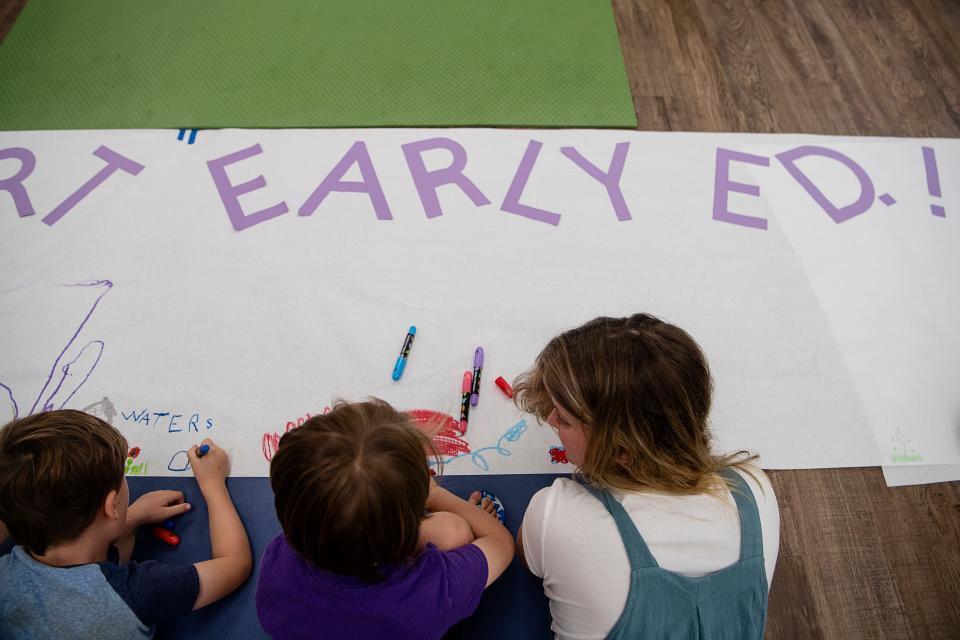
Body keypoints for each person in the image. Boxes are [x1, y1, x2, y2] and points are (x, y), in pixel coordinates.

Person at [513, 313, 780, 640]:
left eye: (565, 420)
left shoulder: (558, 514)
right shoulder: (753, 491)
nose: (552, 419)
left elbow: (528, 559)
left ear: (621, 449)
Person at [256, 399, 514, 640]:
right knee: (454, 529)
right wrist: (436, 495)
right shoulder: (429, 593)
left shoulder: (277, 564)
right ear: (410, 525)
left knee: (450, 529)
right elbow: (501, 543)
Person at [0, 410, 252, 639]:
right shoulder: (139, 591)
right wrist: (213, 484)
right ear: (111, 505)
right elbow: (234, 564)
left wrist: (129, 519)